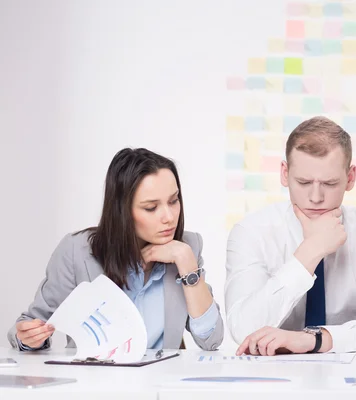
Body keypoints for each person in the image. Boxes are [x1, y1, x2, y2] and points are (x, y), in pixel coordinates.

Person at [225, 116, 356, 356]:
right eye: (303, 182)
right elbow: (243, 329)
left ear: (350, 178)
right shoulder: (251, 232)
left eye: (330, 183)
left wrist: (314, 339)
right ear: (284, 173)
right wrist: (310, 251)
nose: (315, 197)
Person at [8, 148, 223, 351]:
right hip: (94, 384)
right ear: (122, 211)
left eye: (174, 201)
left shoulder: (187, 247)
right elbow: (30, 325)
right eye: (151, 208)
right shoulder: (76, 252)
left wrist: (187, 263)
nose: (169, 217)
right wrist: (29, 338)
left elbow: (210, 341)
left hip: (160, 384)